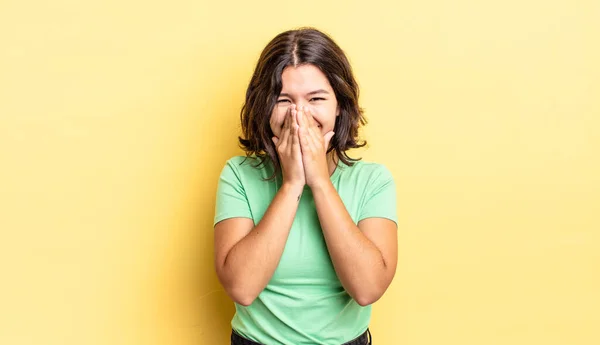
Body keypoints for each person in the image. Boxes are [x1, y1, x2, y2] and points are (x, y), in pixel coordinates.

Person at [213, 27, 398, 345]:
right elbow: (242, 288)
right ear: (265, 107)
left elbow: (368, 289)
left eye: (316, 99)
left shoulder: (373, 181)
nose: (299, 115)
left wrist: (320, 182)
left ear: (339, 106)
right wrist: (292, 183)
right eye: (284, 100)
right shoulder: (238, 175)